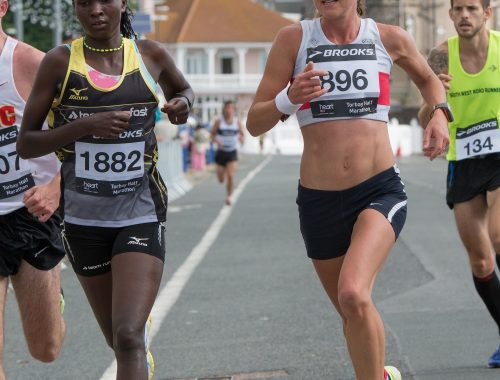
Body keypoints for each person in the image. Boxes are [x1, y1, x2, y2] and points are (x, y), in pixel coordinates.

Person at [246, 0, 450, 379]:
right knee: (351, 310)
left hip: (379, 189)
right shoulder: (293, 40)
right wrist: (288, 98)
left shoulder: (389, 37)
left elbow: (428, 79)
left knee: (353, 293)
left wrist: (440, 112)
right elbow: (254, 122)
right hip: (319, 200)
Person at [16, 1, 194, 379]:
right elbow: (27, 142)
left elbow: (183, 91)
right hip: (83, 220)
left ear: (122, 4)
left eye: (105, 1)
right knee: (117, 338)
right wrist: (86, 125)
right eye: (85, 3)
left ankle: (136, 347)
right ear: (76, 11)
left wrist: (181, 105)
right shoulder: (59, 62)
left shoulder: (150, 55)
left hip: (141, 212)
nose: (96, 10)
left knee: (129, 335)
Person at [418, 0, 500, 368]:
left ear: (487, 13)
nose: (465, 16)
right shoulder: (440, 58)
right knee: (481, 260)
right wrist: (436, 98)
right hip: (463, 161)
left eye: (472, 8)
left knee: (498, 235)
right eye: (458, 9)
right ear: (450, 15)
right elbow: (425, 114)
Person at [0, 0, 66, 378]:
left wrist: (56, 186)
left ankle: (55, 302)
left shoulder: (30, 63)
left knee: (46, 348)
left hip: (32, 214)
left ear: (3, 7)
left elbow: (85, 133)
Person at [210, 100, 245, 205]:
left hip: (232, 152)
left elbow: (243, 134)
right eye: (227, 107)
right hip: (221, 152)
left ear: (233, 110)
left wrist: (242, 138)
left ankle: (229, 196)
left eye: (231, 108)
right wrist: (217, 141)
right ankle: (223, 172)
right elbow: (212, 135)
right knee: (221, 179)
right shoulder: (219, 122)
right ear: (224, 109)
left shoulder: (237, 122)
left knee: (230, 175)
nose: (229, 110)